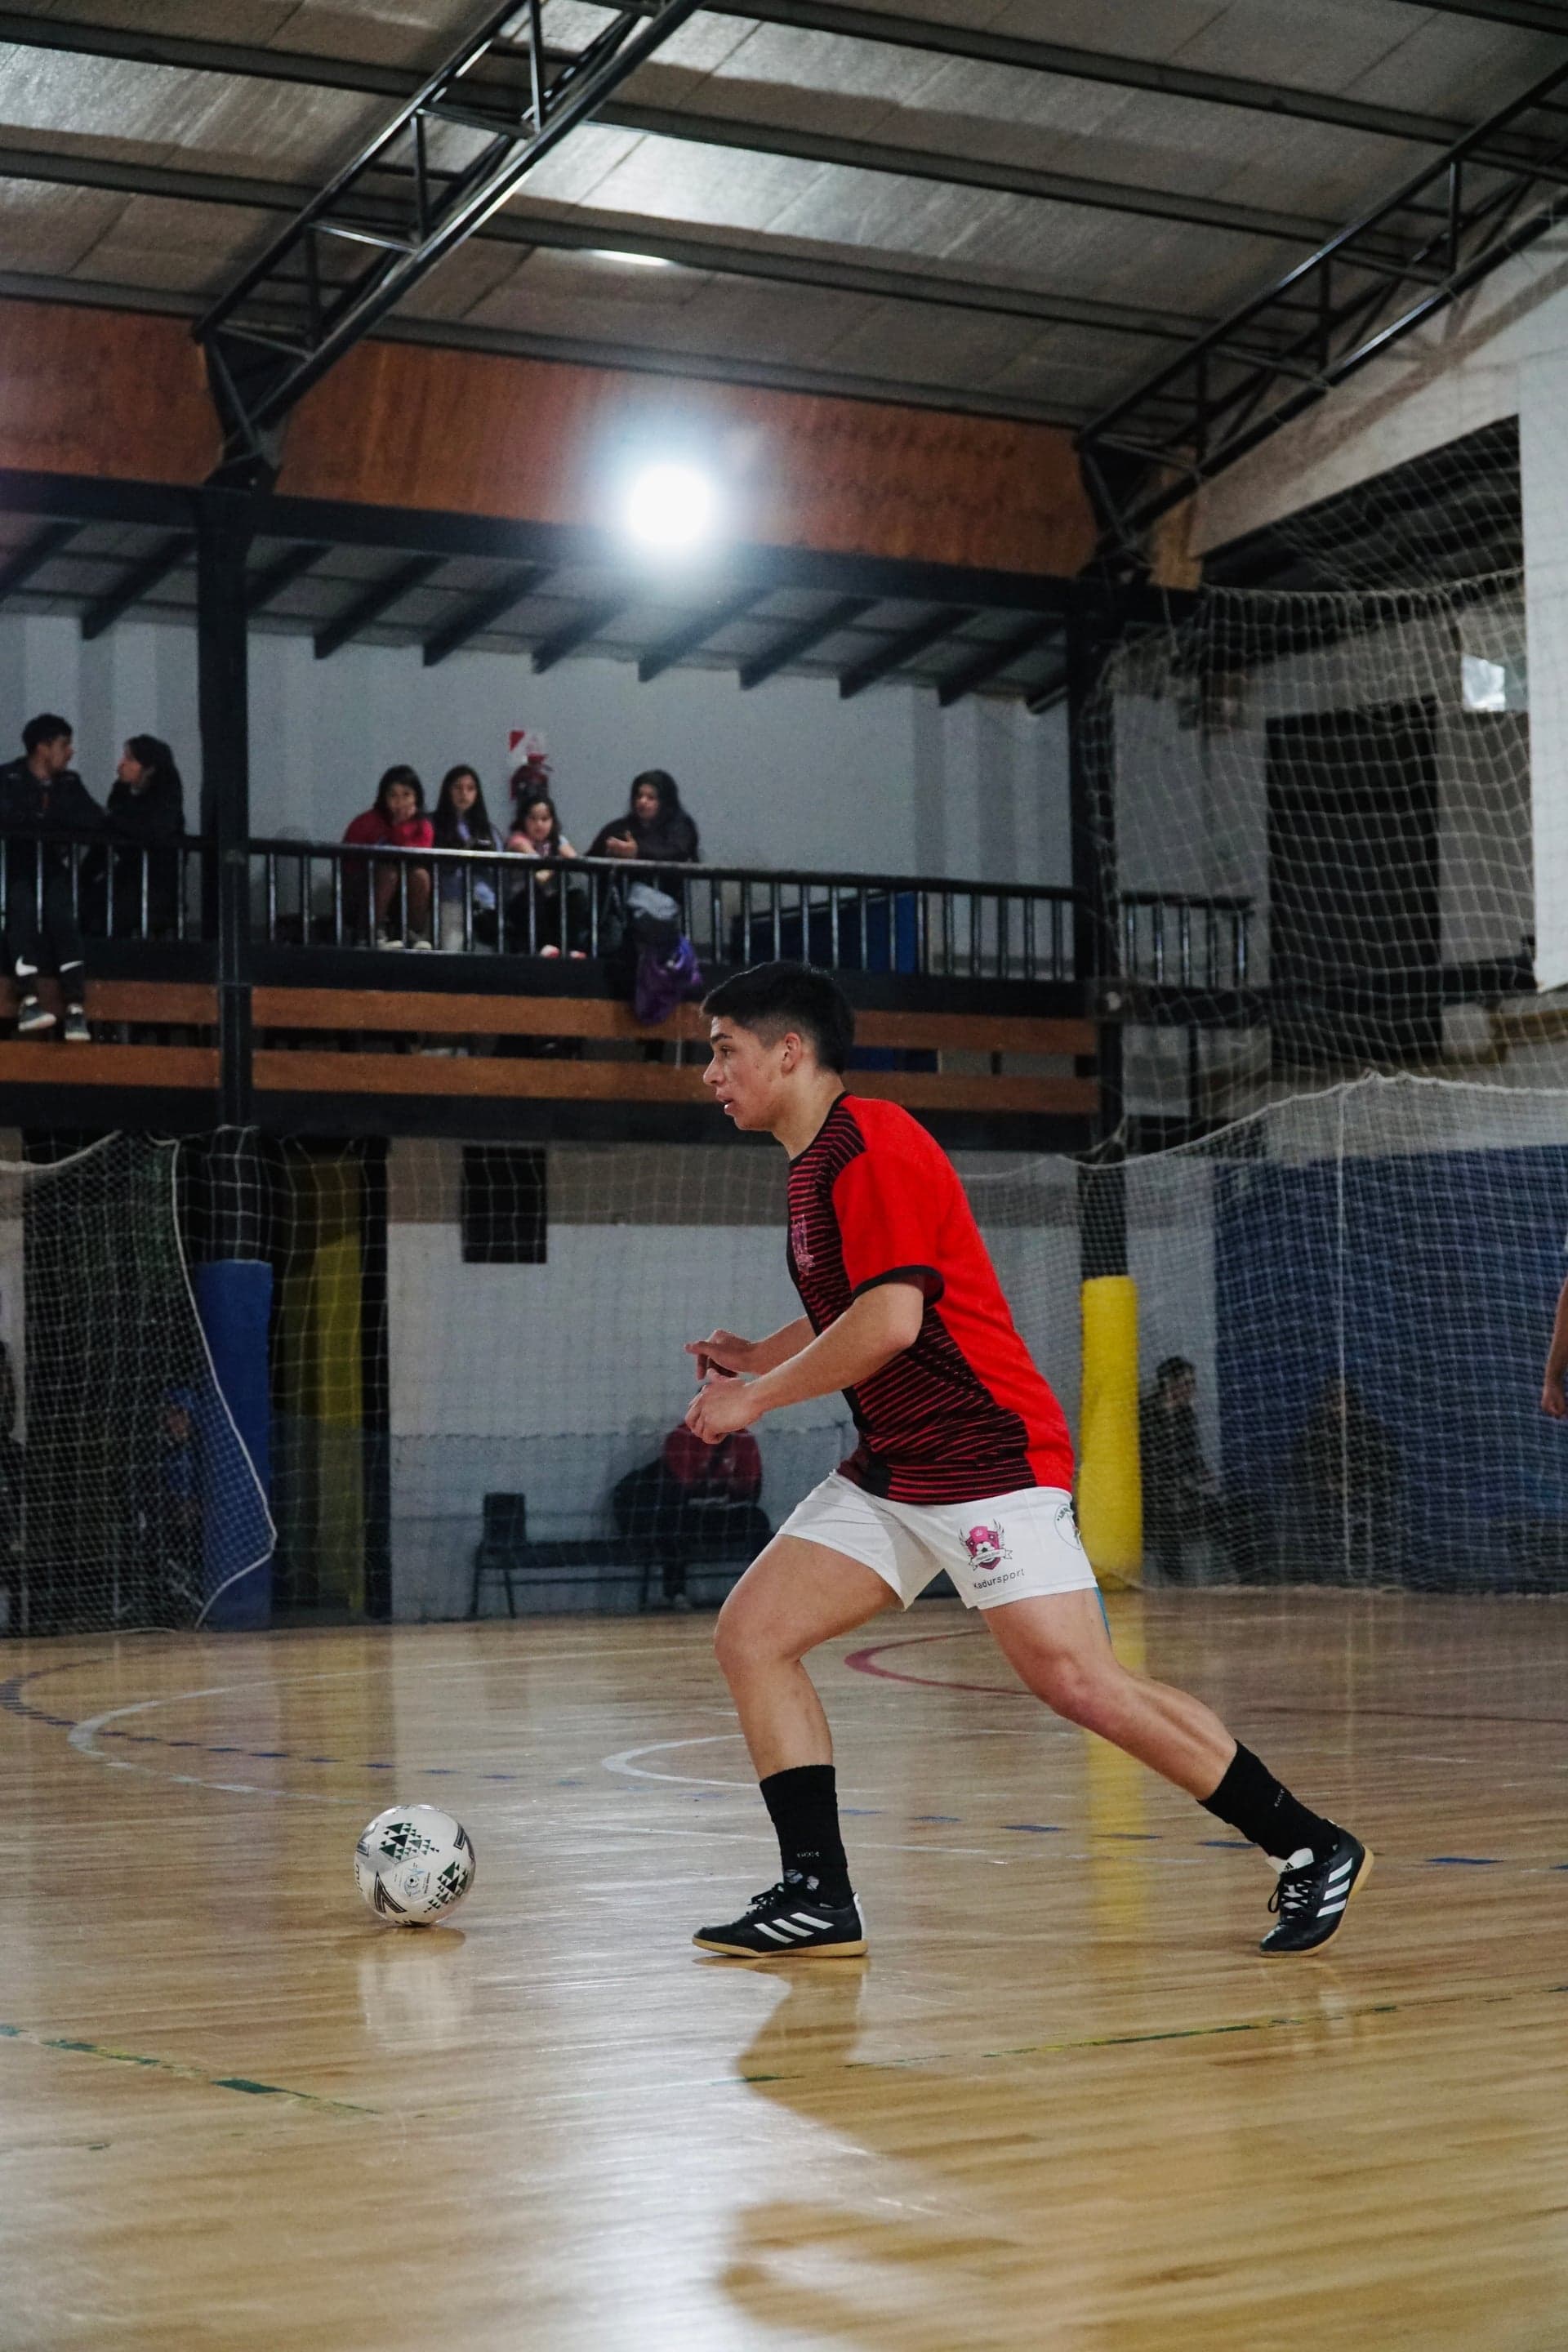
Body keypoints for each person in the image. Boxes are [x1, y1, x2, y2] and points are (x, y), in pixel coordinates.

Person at [680, 961, 1370, 1960]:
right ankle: (818, 1894)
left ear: (788, 1052)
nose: (712, 1071)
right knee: (753, 1635)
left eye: (723, 1049)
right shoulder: (814, 1165)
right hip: (900, 1466)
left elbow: (890, 1321)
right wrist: (763, 1351)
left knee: (1079, 1683)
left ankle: (1310, 1846)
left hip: (986, 1457)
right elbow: (858, 1307)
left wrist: (753, 1398)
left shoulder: (873, 1142)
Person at [0, 712, 105, 1040]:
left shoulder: (69, 784)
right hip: (14, 868)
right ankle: (28, 999)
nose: (70, 752)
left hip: (52, 869)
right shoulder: (8, 778)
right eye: (64, 744)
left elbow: (93, 820)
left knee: (63, 921)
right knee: (22, 914)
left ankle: (75, 1007)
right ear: (43, 748)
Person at [612, 1417, 770, 1608]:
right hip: (692, 1513)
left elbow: (751, 1486)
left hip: (725, 1512)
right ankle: (675, 1593)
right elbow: (680, 1485)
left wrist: (727, 1494)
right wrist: (715, 1489)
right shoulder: (682, 1437)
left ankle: (765, 1593)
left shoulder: (743, 1437)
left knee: (758, 1521)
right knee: (671, 1526)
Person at [1139, 1356, 1267, 1583]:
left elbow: (1192, 1459)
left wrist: (1204, 1477)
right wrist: (1176, 1485)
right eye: (1187, 1383)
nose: (1192, 1389)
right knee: (1168, 1524)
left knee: (1232, 1512)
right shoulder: (1146, 1414)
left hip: (1181, 1493)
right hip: (1153, 1497)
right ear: (1169, 1383)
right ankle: (1178, 1583)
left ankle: (1249, 1574)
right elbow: (1149, 1462)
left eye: (1193, 1383)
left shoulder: (1186, 1415)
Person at [1285, 1375, 1402, 1581]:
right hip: (1324, 1497)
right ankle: (1324, 1574)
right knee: (1319, 1517)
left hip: (1364, 1495)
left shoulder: (1369, 1429)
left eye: (1340, 1399)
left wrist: (1357, 1485)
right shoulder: (1316, 1430)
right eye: (1331, 1399)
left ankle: (1370, 1573)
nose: (1336, 1405)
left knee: (1372, 1519)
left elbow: (1387, 1465)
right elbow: (1301, 1466)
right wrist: (1327, 1482)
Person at [96, 734, 186, 938]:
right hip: (127, 880)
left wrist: (111, 817)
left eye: (129, 759)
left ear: (149, 767)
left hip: (153, 886)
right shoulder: (123, 794)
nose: (121, 764)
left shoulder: (164, 806)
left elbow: (148, 827)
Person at [341, 766, 434, 948]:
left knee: (420, 875)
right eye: (393, 795)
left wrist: (399, 828)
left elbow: (414, 857)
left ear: (417, 797)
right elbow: (348, 864)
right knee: (388, 872)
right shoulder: (366, 822)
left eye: (406, 794)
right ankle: (372, 933)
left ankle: (413, 934)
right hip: (365, 892)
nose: (400, 802)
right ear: (383, 797)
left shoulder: (423, 826)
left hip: (403, 894)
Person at [432, 765, 507, 951]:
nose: (463, 794)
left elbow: (501, 868)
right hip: (451, 899)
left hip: (486, 903)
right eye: (458, 788)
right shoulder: (434, 824)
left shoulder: (488, 830)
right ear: (447, 790)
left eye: (470, 788)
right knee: (452, 950)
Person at [506, 790, 586, 957]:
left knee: (575, 897)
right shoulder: (518, 839)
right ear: (524, 820)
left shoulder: (556, 840)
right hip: (522, 902)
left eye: (545, 819)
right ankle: (542, 945)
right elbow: (536, 864)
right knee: (535, 895)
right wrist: (555, 865)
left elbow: (573, 858)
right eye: (533, 819)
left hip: (550, 900)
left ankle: (569, 947)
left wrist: (559, 857)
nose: (539, 824)